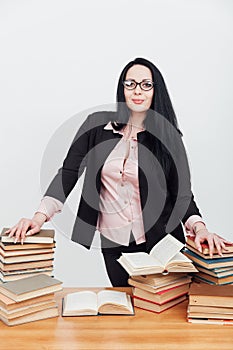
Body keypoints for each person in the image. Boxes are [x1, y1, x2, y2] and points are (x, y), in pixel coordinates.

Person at [5, 57, 231, 286]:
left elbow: (182, 193)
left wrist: (200, 228)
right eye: (130, 83)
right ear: (122, 88)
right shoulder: (95, 126)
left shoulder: (168, 137)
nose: (137, 91)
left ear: (155, 91)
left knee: (161, 315)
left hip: (162, 244)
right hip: (114, 246)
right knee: (127, 311)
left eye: (146, 84)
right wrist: (39, 217)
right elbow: (69, 172)